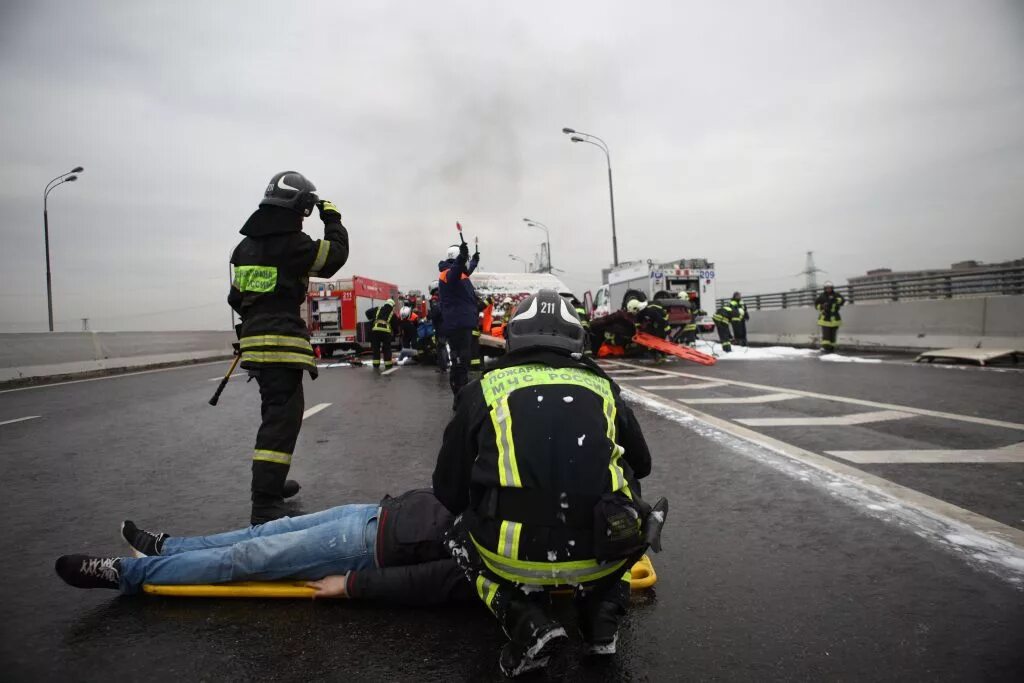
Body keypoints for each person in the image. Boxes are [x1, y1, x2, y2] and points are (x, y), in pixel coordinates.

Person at [432, 289, 662, 678]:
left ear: (513, 337)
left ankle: (526, 620)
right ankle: (602, 617)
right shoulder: (604, 388)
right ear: (578, 339)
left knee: (455, 534)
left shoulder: (484, 389)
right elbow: (643, 464)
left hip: (510, 555)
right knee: (630, 508)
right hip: (602, 555)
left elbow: (448, 489)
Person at [54, 490, 474, 606]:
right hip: (380, 512)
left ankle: (125, 575)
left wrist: (353, 586)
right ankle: (164, 549)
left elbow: (440, 581)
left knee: (246, 560)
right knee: (261, 534)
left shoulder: (527, 564)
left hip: (367, 546)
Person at [229, 171, 349, 525]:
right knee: (281, 420)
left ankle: (273, 484)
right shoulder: (294, 243)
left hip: (253, 339)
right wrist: (333, 218)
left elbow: (236, 297)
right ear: (299, 206)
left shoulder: (244, 247)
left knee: (275, 415)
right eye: (305, 210)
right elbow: (334, 258)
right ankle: (264, 501)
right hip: (281, 341)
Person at [437, 242, 480, 404]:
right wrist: (462, 257)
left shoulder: (457, 273)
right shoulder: (449, 274)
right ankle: (460, 396)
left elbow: (465, 271)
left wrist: (474, 261)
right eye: (463, 259)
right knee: (461, 360)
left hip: (461, 322)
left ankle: (461, 393)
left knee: (462, 360)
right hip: (458, 323)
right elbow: (456, 271)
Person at [815, 281, 845, 353]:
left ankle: (832, 348)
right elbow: (816, 305)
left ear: (832, 288)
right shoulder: (822, 296)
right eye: (827, 288)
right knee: (826, 335)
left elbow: (842, 301)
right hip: (825, 318)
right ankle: (825, 347)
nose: (828, 289)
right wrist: (822, 306)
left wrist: (835, 300)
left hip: (835, 318)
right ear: (824, 289)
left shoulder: (836, 295)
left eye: (830, 288)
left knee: (833, 334)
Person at [368, 298, 397, 370]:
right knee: (387, 349)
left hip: (375, 331)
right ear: (392, 306)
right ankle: (388, 365)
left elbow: (367, 312)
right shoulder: (393, 314)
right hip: (386, 333)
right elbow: (395, 327)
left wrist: (372, 319)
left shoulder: (377, 309)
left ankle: (376, 365)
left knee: (376, 348)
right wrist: (395, 334)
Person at [427, 282, 448, 372]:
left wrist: (429, 316)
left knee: (440, 346)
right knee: (443, 345)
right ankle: (446, 363)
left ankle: (443, 367)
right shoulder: (444, 296)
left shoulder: (435, 299)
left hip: (440, 325)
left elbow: (436, 311)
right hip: (447, 324)